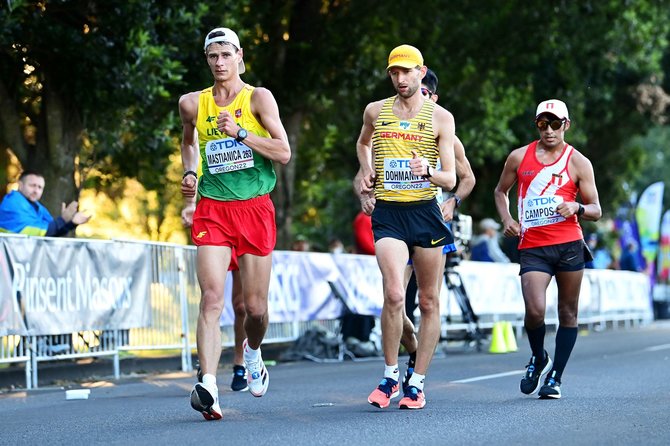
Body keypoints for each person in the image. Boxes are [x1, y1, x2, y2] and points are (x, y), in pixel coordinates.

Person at [179, 27, 291, 420]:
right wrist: (190, 173)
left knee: (254, 309)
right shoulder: (193, 103)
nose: (219, 63)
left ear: (239, 55)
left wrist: (241, 133)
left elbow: (283, 151)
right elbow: (189, 141)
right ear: (207, 59)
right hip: (213, 208)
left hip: (255, 208)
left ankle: (254, 353)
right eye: (213, 56)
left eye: (226, 55)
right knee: (211, 299)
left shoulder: (258, 98)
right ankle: (208, 384)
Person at [357, 44, 457, 410]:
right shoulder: (375, 111)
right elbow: (362, 143)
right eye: (394, 73)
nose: (401, 78)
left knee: (429, 300)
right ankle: (389, 375)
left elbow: (450, 175)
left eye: (407, 72)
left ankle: (417, 382)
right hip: (389, 213)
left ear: (421, 71)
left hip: (426, 213)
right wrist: (366, 170)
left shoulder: (441, 118)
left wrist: (427, 171)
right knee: (395, 295)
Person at [494, 99, 601, 399]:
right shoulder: (519, 157)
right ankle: (539, 357)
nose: (549, 130)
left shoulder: (579, 162)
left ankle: (556, 377)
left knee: (568, 312)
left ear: (566, 125)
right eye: (543, 123)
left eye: (555, 124)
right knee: (535, 310)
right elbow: (500, 190)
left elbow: (596, 209)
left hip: (568, 245)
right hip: (533, 247)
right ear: (536, 124)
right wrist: (507, 219)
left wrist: (577, 206)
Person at [182, 208, 249, 393]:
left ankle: (240, 364)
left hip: (246, 219)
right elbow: (194, 178)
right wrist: (189, 203)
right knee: (211, 300)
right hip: (216, 218)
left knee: (242, 306)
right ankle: (207, 371)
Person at [0, 170, 91, 236]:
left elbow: (52, 232)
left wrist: (71, 223)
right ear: (20, 185)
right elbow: (40, 232)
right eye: (32, 185)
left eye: (40, 187)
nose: (36, 190)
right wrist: (63, 220)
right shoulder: (13, 204)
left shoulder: (37, 207)